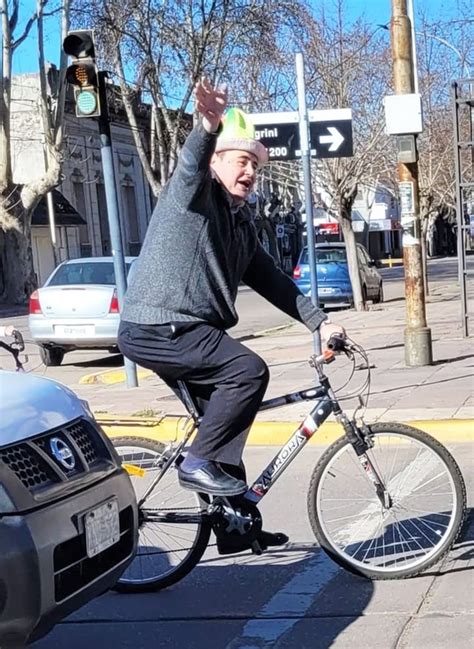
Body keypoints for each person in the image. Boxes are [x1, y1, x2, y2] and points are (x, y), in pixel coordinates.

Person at [118, 78, 345, 551]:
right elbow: (188, 164)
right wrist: (207, 125)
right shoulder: (192, 197)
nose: (249, 172)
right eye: (241, 161)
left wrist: (320, 321)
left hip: (188, 328)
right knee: (247, 372)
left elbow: (270, 278)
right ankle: (194, 463)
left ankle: (236, 530)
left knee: (227, 426)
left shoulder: (240, 222)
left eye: (255, 166)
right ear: (217, 162)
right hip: (159, 323)